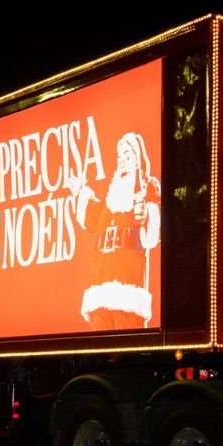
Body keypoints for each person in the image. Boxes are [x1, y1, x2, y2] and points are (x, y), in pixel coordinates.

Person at [69, 131, 160, 330]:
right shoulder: (110, 202)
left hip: (128, 286)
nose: (122, 161)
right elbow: (92, 218)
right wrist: (81, 192)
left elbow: (154, 226)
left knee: (128, 337)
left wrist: (147, 214)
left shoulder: (146, 191)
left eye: (128, 155)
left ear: (137, 160)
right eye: (120, 156)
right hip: (100, 286)